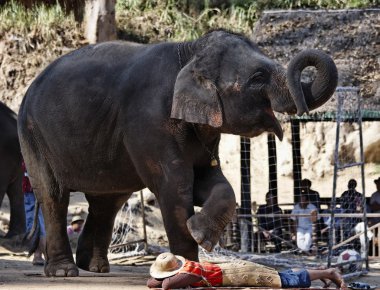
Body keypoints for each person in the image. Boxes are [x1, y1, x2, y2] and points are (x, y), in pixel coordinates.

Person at [147, 252, 346, 289]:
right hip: (231, 270)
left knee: (286, 281)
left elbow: (165, 285)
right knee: (282, 274)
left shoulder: (186, 273)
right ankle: (323, 271)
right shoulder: (184, 268)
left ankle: (329, 273)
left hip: (235, 274)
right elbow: (152, 282)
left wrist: (163, 276)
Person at [22, 160, 46, 266]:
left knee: (36, 223)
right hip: (37, 191)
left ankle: (39, 255)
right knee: (41, 223)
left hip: (31, 191)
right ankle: (40, 255)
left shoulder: (26, 155)